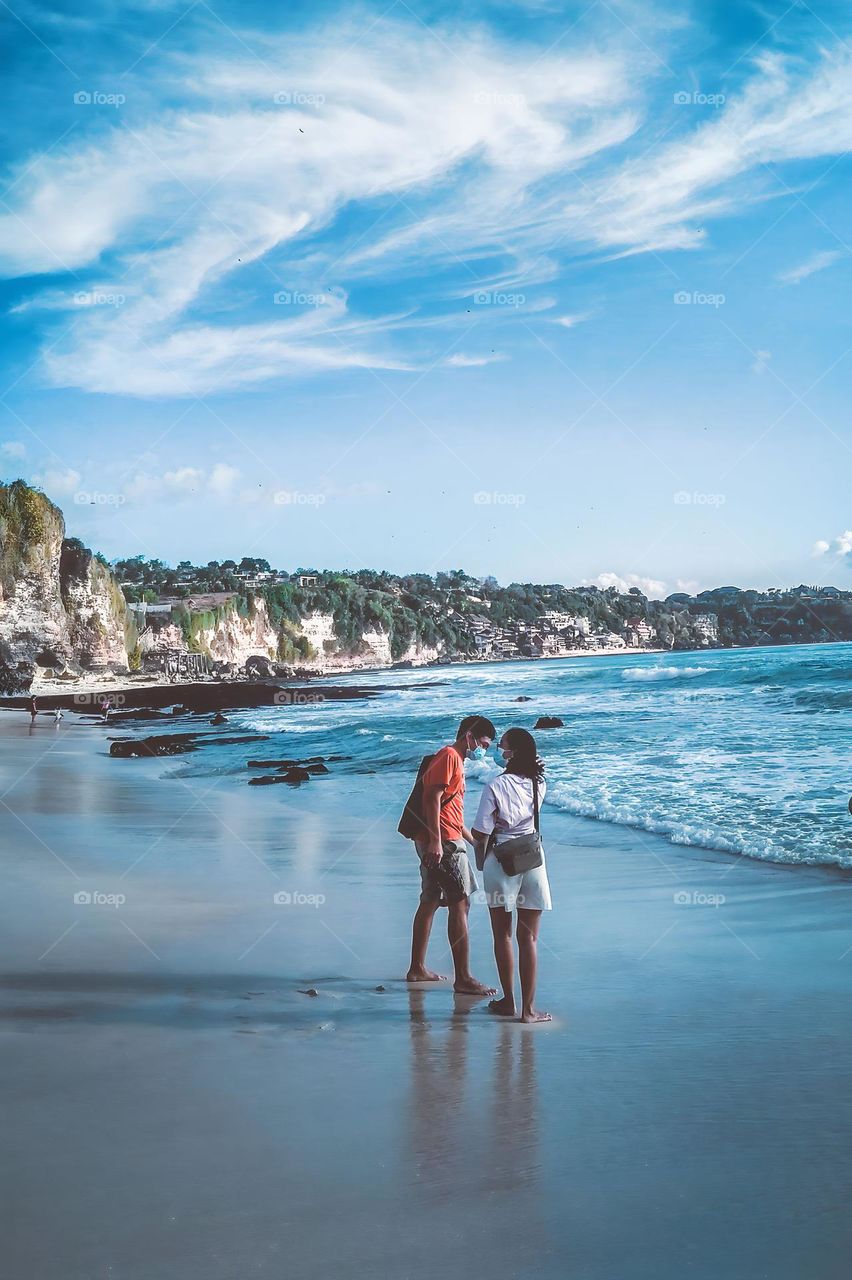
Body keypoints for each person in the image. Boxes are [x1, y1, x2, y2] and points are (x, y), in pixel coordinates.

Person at [407, 714, 497, 996]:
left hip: (443, 838)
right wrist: (436, 841)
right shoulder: (449, 756)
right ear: (469, 735)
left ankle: (417, 968)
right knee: (461, 904)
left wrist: (474, 842)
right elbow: (432, 798)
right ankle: (464, 979)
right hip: (443, 843)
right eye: (482, 743)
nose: (483, 750)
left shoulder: (453, 759)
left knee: (431, 900)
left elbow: (451, 811)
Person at [472, 727, 552, 1023]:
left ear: (513, 752)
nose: (497, 749)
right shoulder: (538, 783)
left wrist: (464, 837)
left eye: (502, 745)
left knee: (502, 934)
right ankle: (529, 1010)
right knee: (529, 938)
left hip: (500, 862)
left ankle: (509, 1002)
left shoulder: (495, 785)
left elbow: (481, 831)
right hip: (533, 861)